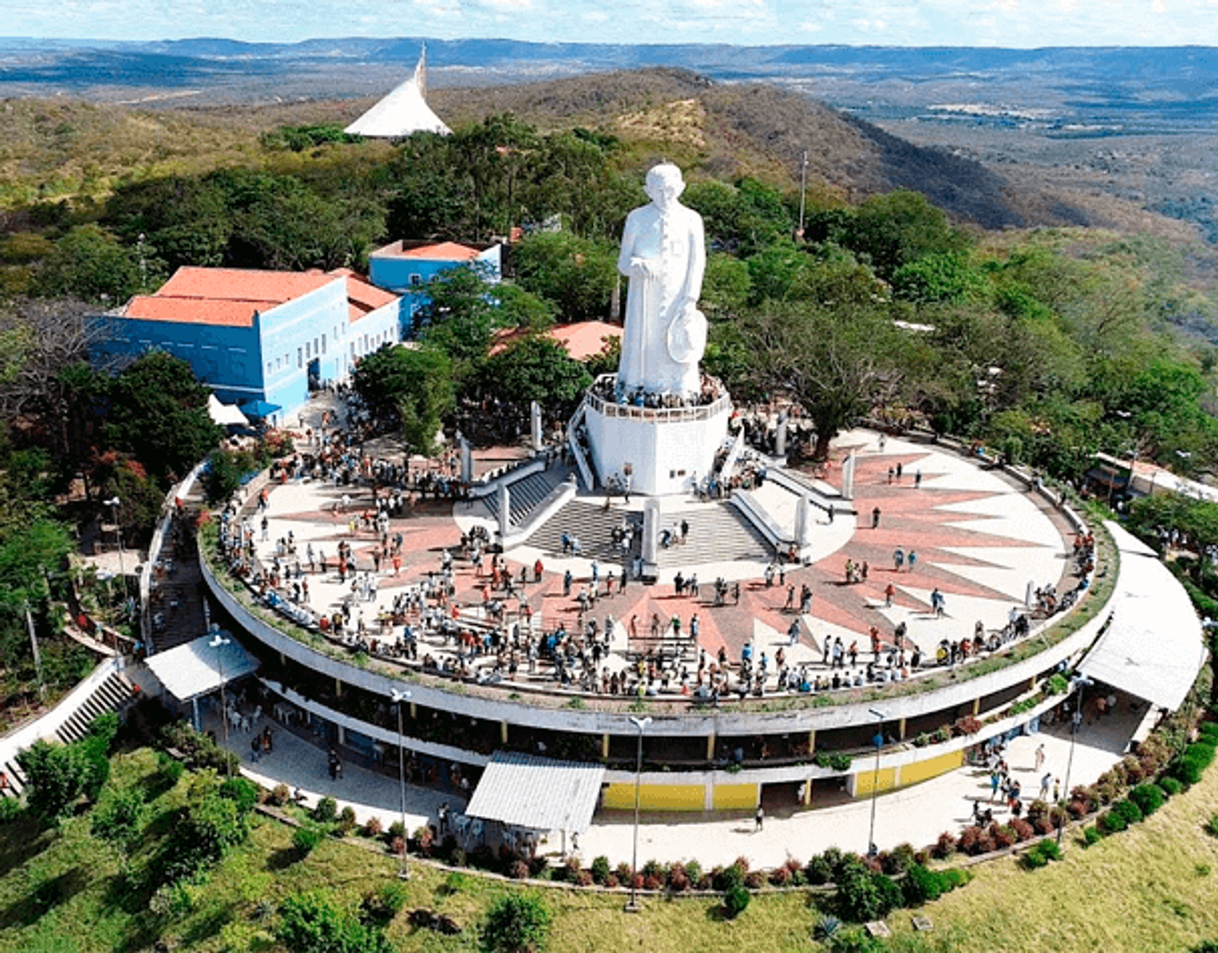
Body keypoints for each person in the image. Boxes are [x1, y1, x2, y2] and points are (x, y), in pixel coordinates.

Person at [616, 162, 707, 398]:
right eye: (658, 191)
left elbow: (697, 263)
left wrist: (690, 298)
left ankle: (681, 390)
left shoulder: (691, 219)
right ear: (648, 191)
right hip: (644, 299)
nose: (664, 196)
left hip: (679, 297)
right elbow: (623, 263)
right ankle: (637, 388)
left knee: (679, 345)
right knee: (644, 345)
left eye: (669, 190)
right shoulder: (636, 218)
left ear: (681, 188)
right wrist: (639, 265)